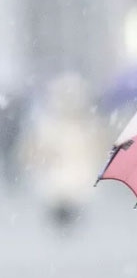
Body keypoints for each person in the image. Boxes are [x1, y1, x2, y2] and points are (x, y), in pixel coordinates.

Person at [16, 72, 110, 228]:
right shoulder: (55, 126)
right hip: (67, 181)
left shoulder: (79, 126)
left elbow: (32, 151)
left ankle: (65, 219)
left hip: (71, 181)